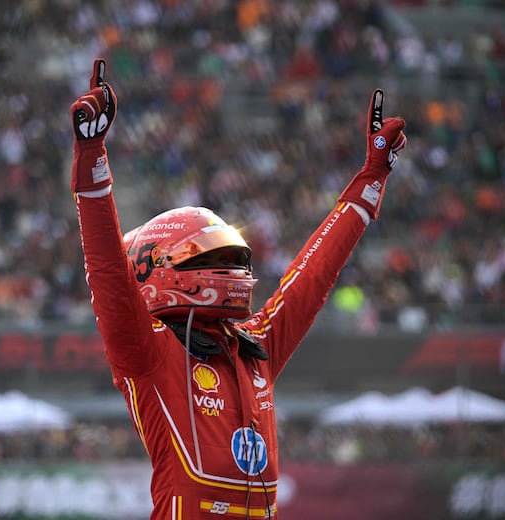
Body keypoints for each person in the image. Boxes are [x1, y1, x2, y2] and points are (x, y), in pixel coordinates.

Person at [69, 59, 406, 519]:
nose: (229, 269)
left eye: (231, 258)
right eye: (209, 259)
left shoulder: (255, 348)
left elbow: (313, 278)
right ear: (158, 271)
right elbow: (107, 271)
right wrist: (92, 161)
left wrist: (370, 181)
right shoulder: (146, 354)